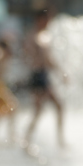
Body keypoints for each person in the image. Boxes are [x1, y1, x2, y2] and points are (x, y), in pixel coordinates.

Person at [22, 8, 65, 154]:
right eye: (46, 19)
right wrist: (61, 73)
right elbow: (47, 59)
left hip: (38, 75)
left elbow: (27, 55)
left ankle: (28, 140)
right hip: (39, 76)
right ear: (39, 19)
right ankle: (58, 141)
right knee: (53, 107)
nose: (48, 22)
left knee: (42, 110)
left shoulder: (33, 35)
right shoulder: (39, 36)